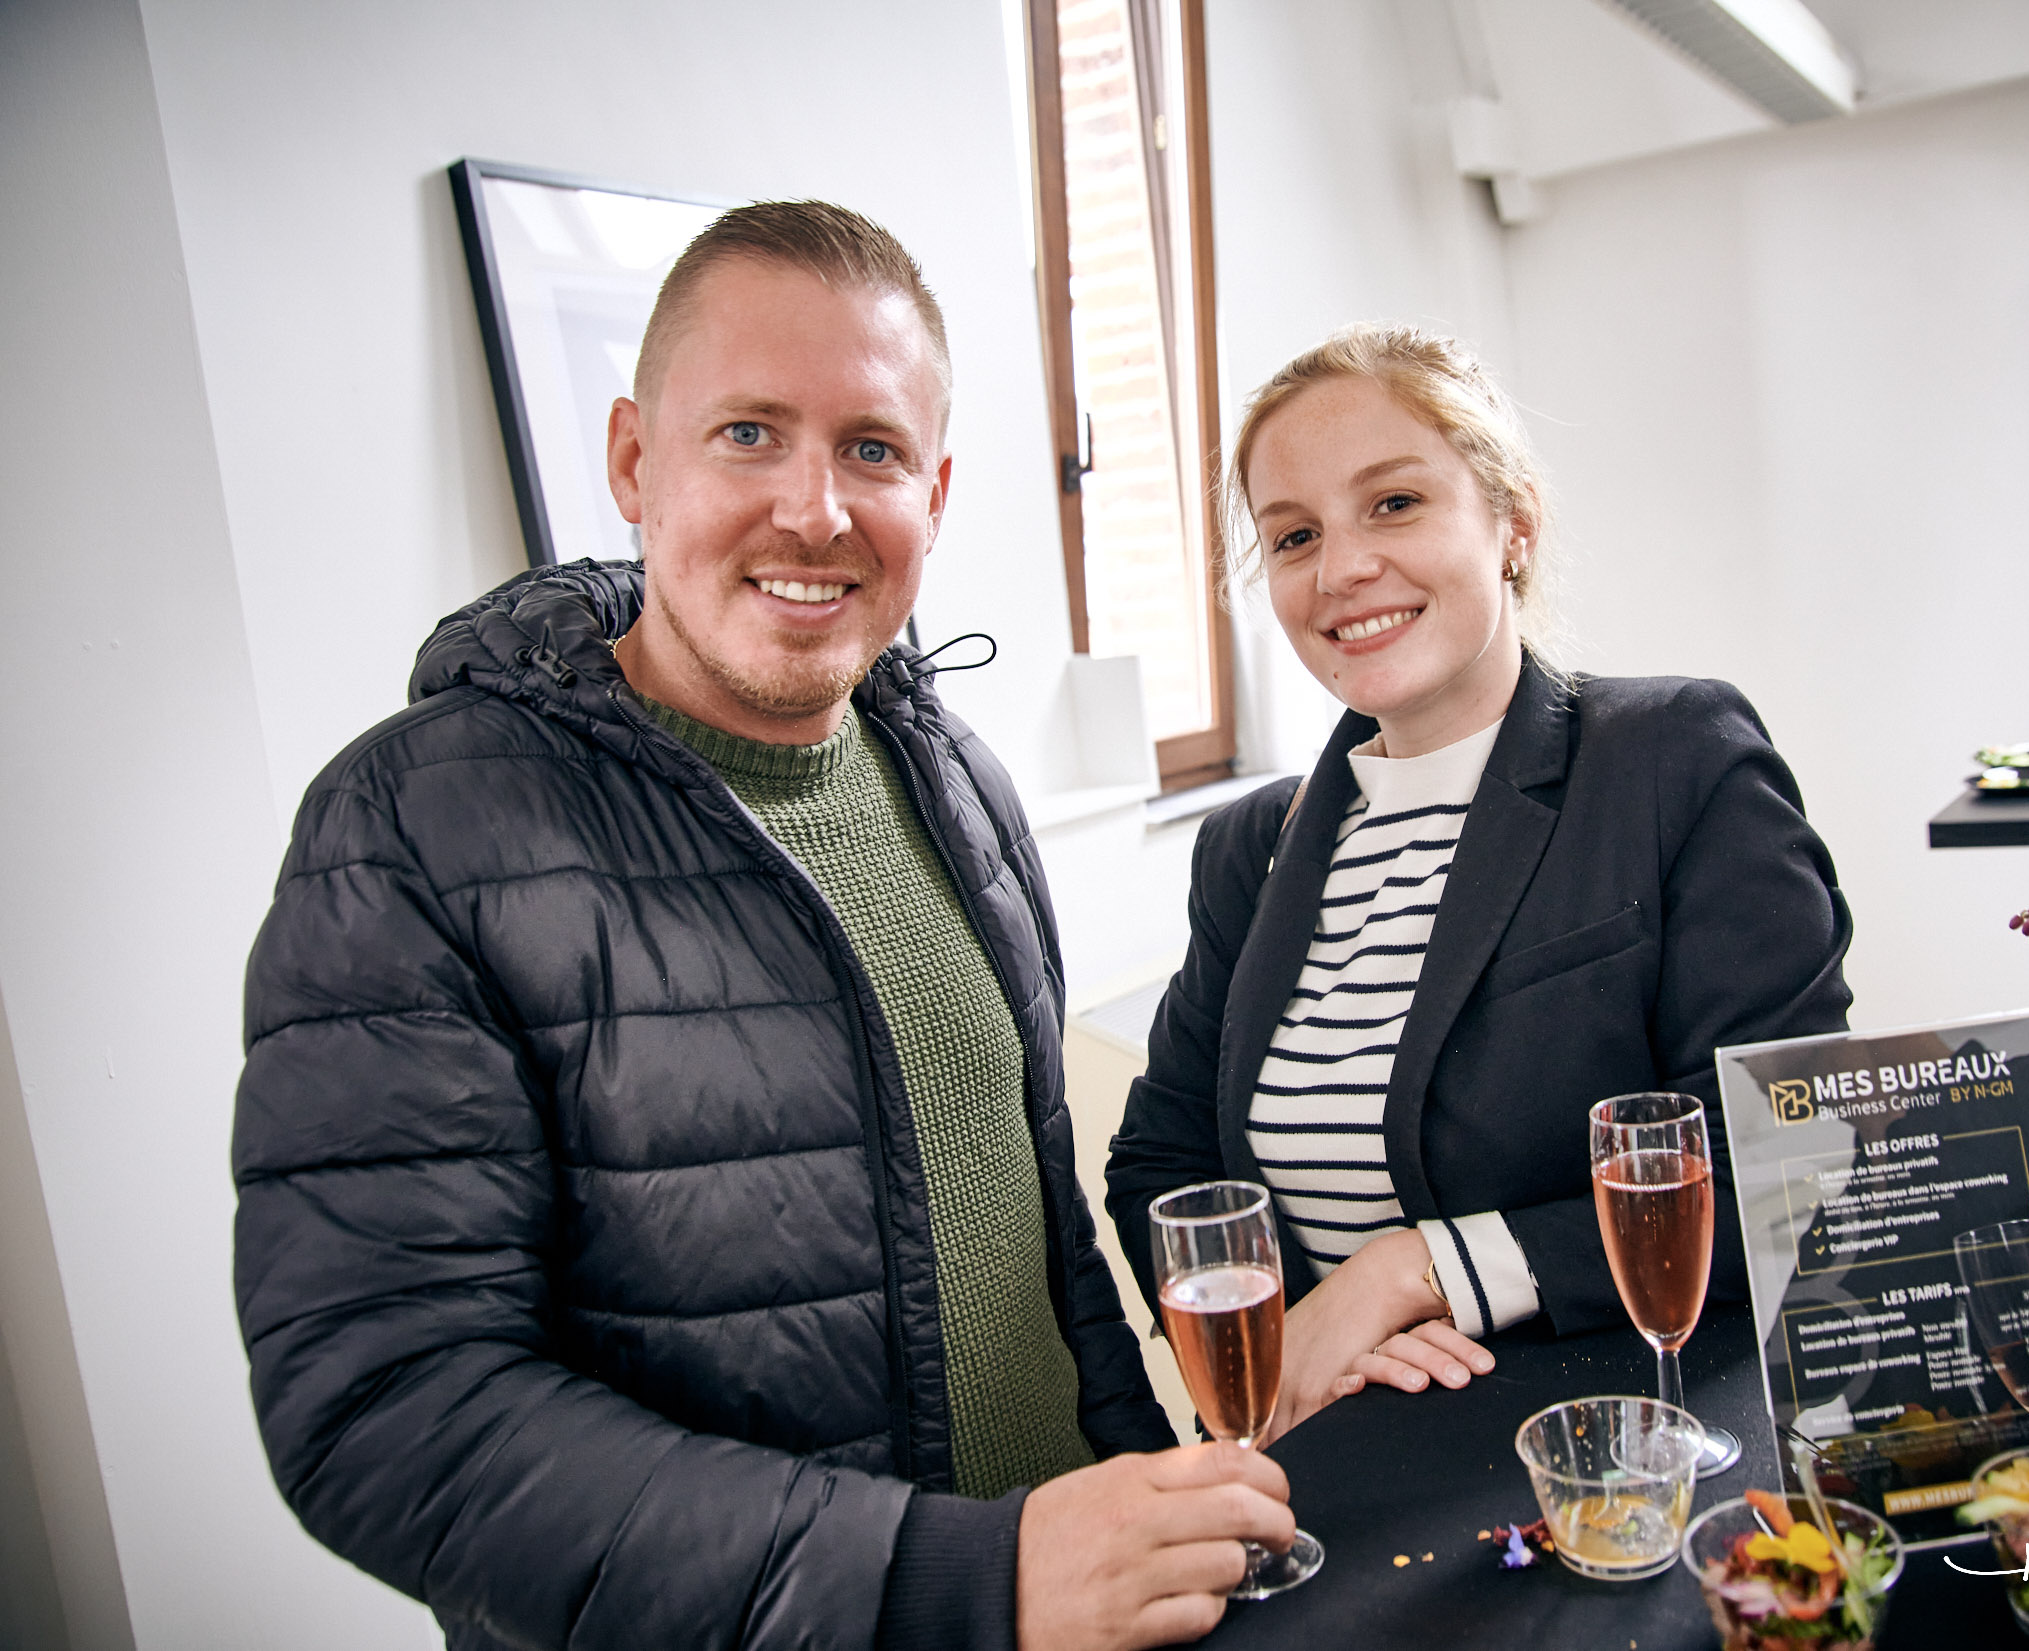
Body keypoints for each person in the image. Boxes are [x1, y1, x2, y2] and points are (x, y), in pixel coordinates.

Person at [233, 201, 1293, 1651]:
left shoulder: (958, 780)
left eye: (871, 448)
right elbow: (385, 1406)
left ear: (934, 488)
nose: (815, 510)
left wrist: (1129, 1482)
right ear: (630, 459)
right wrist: (955, 1580)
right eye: (747, 433)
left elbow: (1035, 1250)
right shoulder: (412, 828)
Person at [1103, 326, 1854, 1437]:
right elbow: (1160, 1163)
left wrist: (1413, 1272)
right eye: (1294, 534)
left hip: (1636, 1433)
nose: (1342, 567)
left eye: (1393, 503)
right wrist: (1280, 1352)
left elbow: (1792, 1164)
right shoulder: (1248, 848)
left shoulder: (1671, 759)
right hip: (1350, 1451)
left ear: (1511, 521)